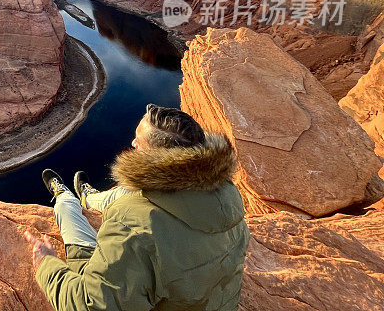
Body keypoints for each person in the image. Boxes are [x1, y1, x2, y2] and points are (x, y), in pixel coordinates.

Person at [24, 104, 249, 311]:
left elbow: (91, 305)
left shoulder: (130, 225)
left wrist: (46, 265)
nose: (132, 144)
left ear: (157, 158)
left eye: (138, 142)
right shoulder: (228, 192)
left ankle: (65, 196)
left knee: (68, 213)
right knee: (122, 193)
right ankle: (89, 198)